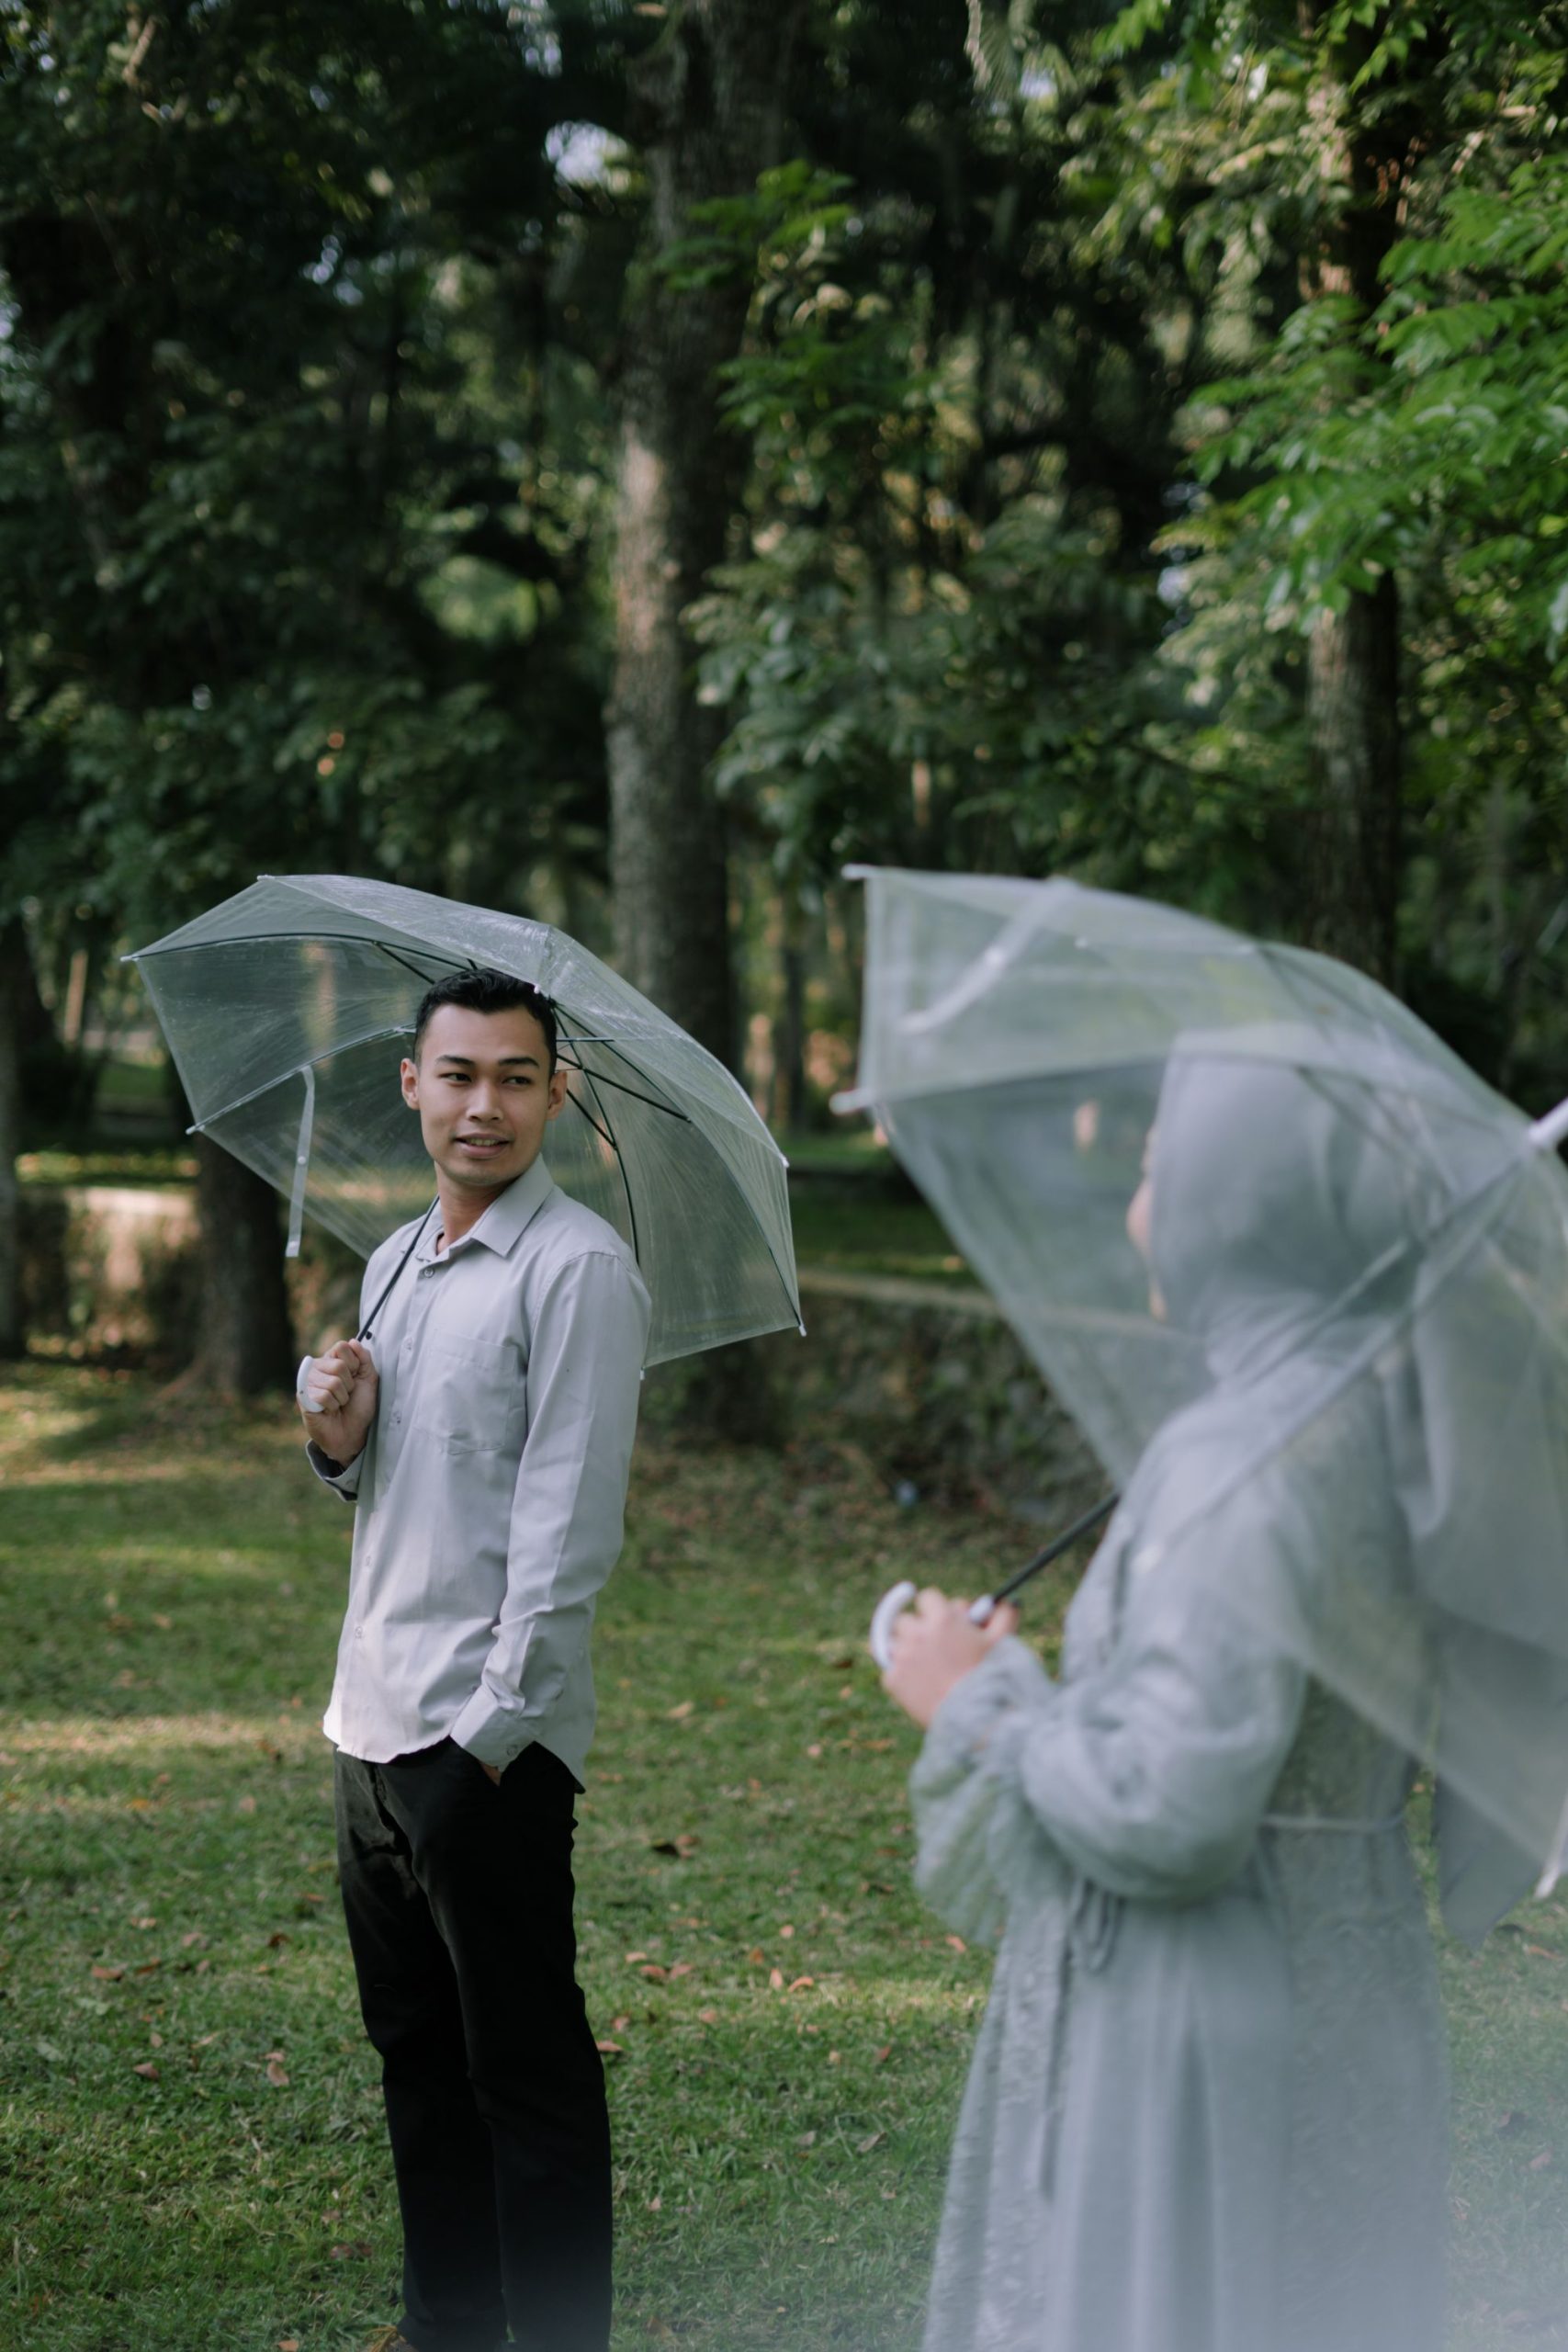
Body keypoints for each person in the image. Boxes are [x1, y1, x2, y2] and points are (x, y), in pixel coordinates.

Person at [882, 1052, 1450, 2352]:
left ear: (1226, 1197)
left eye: (1152, 1170)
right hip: (1349, 1965)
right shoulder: (1378, 1416)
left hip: (1205, 2010)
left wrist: (979, 1701)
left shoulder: (1237, 1454)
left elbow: (1176, 1808)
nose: (1139, 1208)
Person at [298, 967, 650, 2352]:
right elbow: (393, 1488)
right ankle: (448, 2328)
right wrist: (337, 1438)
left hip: (483, 1745)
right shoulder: (393, 1261)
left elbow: (569, 1531)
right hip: (368, 1724)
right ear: (413, 1085)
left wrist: (486, 1738)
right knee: (417, 2062)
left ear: (556, 1094)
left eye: (515, 1077)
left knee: (526, 2075)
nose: (483, 1105)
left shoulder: (577, 1272)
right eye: (458, 1075)